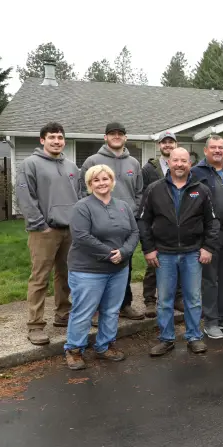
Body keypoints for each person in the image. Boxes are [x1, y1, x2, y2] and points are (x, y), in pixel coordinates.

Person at [138, 148, 219, 356]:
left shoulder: (201, 190)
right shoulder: (154, 189)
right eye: (176, 160)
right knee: (165, 300)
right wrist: (148, 249)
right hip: (164, 253)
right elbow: (144, 221)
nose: (180, 164)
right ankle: (166, 339)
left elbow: (212, 222)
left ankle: (194, 337)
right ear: (169, 162)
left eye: (184, 161)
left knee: (193, 298)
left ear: (189, 164)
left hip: (193, 253)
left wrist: (208, 247)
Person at [63, 164, 140, 370]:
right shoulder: (82, 207)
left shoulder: (123, 206)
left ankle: (104, 345)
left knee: (112, 310)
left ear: (112, 181)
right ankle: (74, 350)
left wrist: (123, 252)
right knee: (84, 311)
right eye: (96, 180)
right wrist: (109, 254)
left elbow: (134, 232)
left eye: (105, 179)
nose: (101, 183)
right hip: (87, 270)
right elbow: (81, 236)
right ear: (89, 184)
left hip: (118, 269)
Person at [16, 122, 80, 345]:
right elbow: (25, 198)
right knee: (40, 277)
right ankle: (35, 325)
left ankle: (63, 315)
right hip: (44, 231)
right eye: (52, 137)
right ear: (42, 140)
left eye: (60, 137)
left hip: (69, 231)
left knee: (66, 275)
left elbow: (79, 197)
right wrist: (40, 225)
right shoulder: (30, 164)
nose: (56, 141)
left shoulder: (72, 168)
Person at [79, 122, 144, 321]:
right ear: (105, 137)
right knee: (99, 265)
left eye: (120, 134)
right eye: (112, 134)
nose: (116, 136)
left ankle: (124, 304)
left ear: (125, 138)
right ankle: (97, 310)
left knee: (125, 265)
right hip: (99, 224)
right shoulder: (92, 161)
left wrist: (133, 213)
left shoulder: (133, 162)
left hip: (126, 223)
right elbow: (82, 191)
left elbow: (139, 192)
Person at [190, 135, 223, 339]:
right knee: (210, 279)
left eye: (221, 147)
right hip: (208, 234)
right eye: (213, 147)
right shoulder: (196, 172)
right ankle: (210, 321)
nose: (218, 151)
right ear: (206, 151)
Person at [140, 130, 183, 318]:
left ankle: (177, 298)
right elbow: (143, 194)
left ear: (176, 145)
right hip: (156, 220)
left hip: (179, 221)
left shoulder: (184, 166)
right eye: (164, 143)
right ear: (159, 146)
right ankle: (150, 300)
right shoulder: (150, 169)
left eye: (171, 142)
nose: (167, 145)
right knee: (154, 262)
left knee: (179, 261)